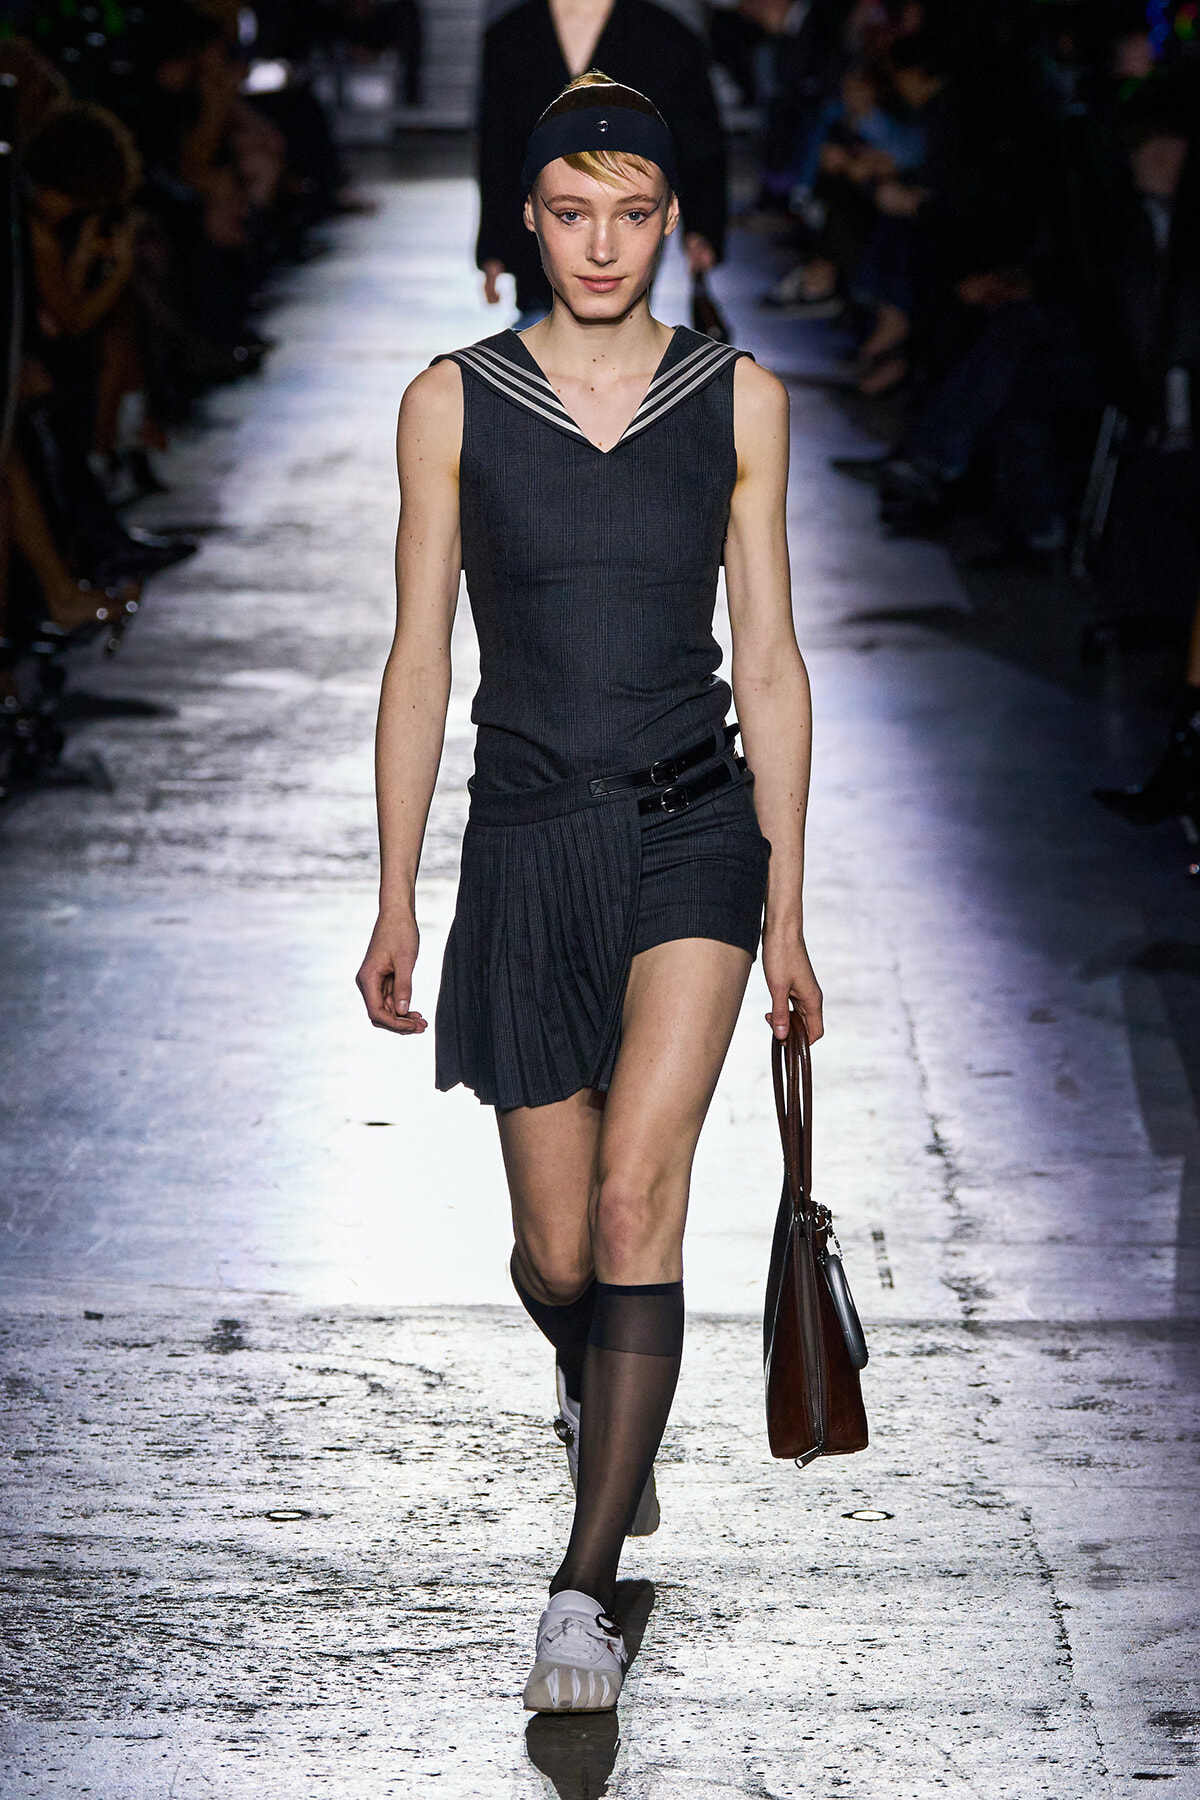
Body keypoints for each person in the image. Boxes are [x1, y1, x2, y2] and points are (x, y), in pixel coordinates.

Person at [357, 73, 822, 1711]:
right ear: (530, 220)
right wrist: (397, 894)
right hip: (528, 836)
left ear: (672, 220)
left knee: (640, 1203)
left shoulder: (737, 394)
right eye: (571, 212)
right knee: (560, 1254)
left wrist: (793, 912)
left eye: (634, 213)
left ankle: (582, 1584)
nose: (603, 242)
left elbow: (766, 655)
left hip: (696, 824)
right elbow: (420, 658)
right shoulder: (453, 400)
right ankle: (594, 1378)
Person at [476, 11, 727, 325]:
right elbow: (498, 150)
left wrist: (703, 227)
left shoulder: (667, 36)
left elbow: (698, 143)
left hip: (629, 235)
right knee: (545, 327)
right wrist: (493, 247)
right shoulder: (511, 36)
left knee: (620, 322)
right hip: (538, 249)